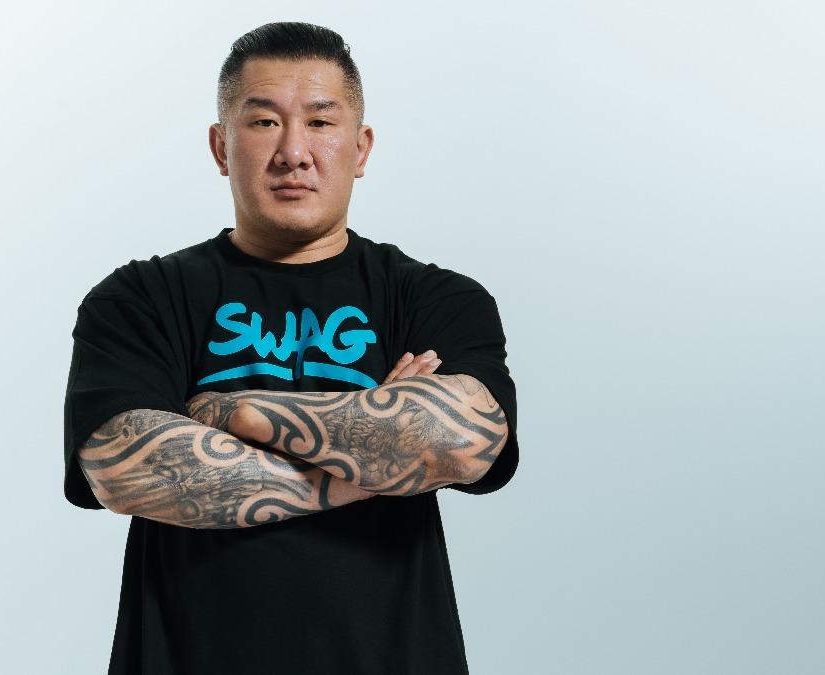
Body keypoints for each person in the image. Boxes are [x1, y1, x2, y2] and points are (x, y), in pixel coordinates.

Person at [62, 21, 519, 675]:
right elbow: (125, 466)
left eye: (321, 122)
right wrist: (373, 458)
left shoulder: (434, 298)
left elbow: (464, 439)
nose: (294, 152)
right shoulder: (141, 297)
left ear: (360, 147)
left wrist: (239, 415)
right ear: (221, 146)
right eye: (264, 122)